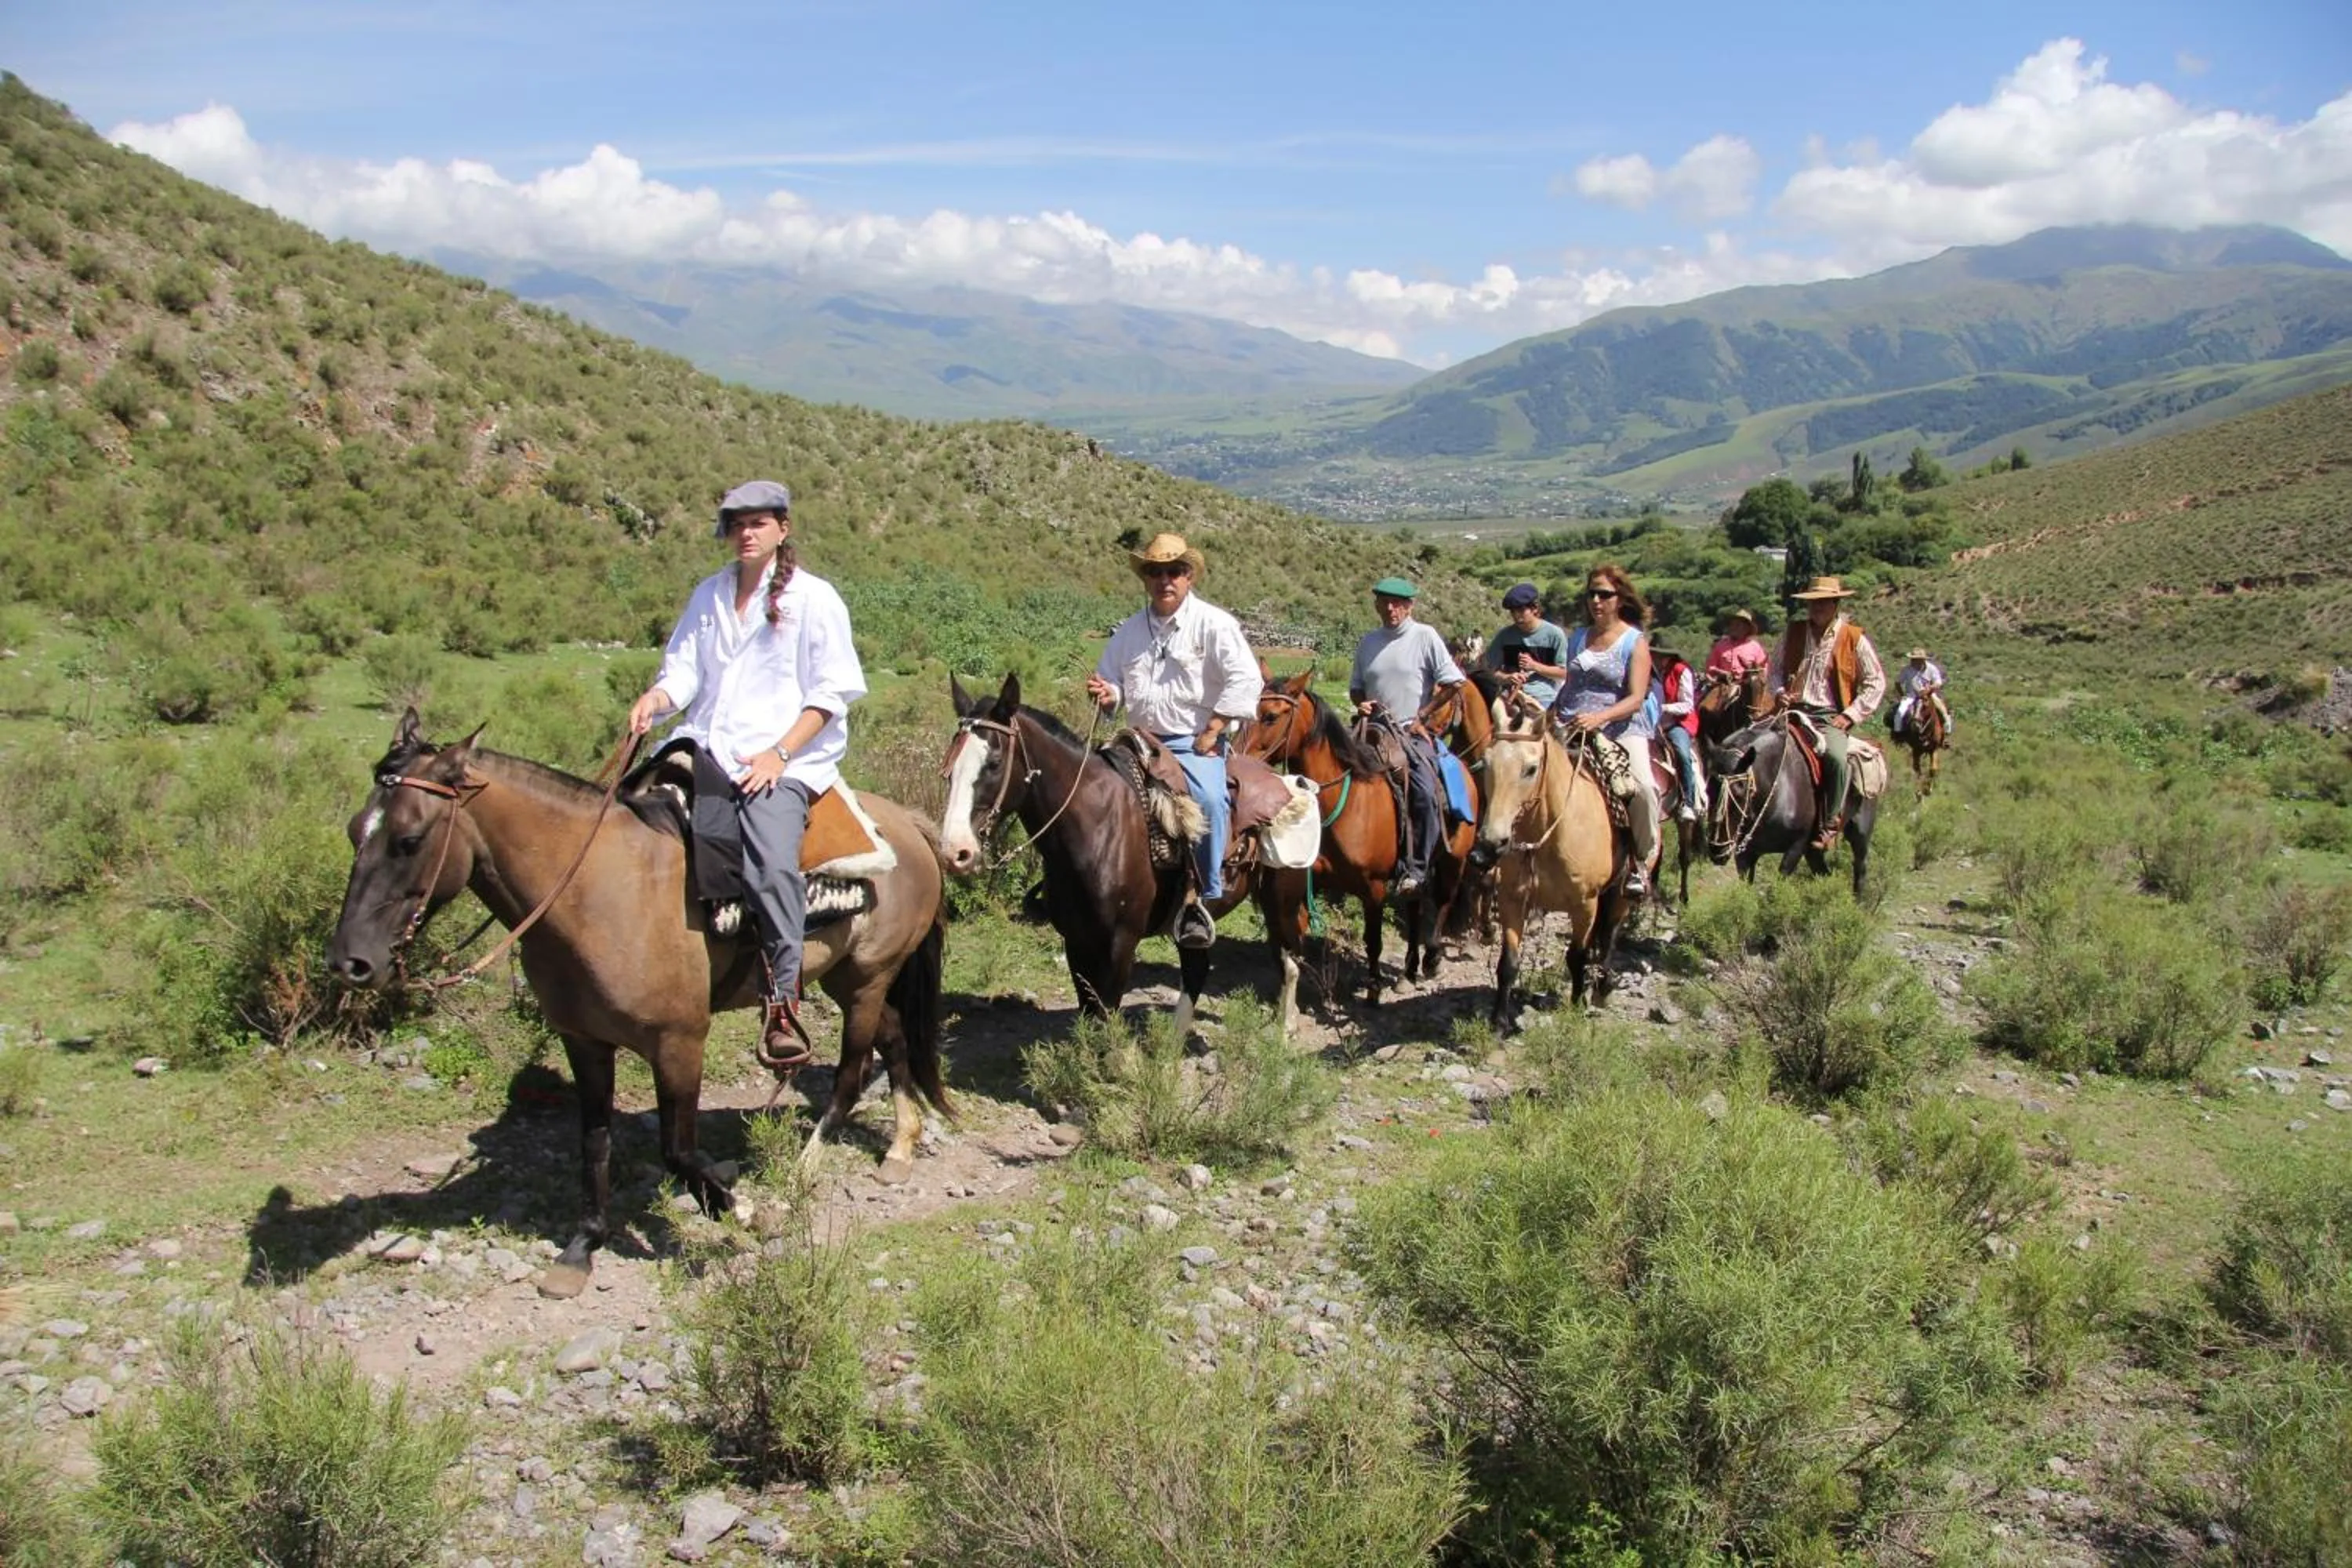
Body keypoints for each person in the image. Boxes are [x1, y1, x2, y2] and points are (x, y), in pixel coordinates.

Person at [629, 478, 868, 1069]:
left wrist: (779, 755)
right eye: (737, 523)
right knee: (625, 820)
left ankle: (783, 998)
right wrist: (657, 699)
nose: (746, 533)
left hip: (783, 757)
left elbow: (833, 690)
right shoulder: (708, 596)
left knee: (768, 862)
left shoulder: (815, 599)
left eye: (758, 522)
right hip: (706, 742)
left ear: (782, 529)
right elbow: (684, 671)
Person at [1087, 532, 1262, 949]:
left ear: (1189, 577)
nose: (1165, 579)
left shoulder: (1214, 624)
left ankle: (1201, 898)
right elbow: (1113, 680)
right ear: (1145, 579)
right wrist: (1108, 692)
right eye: (1156, 571)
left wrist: (1215, 728)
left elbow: (1246, 678)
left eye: (1174, 571)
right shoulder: (1129, 630)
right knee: (1088, 790)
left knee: (1210, 800)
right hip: (1136, 739)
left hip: (1192, 741)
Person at [1349, 575, 1464, 901]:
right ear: (1376, 605)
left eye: (1398, 603)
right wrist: (1361, 702)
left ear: (1410, 606)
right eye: (1384, 602)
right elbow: (1357, 685)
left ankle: (1416, 868)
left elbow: (1454, 682)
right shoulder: (1369, 641)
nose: (1390, 608)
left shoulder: (1424, 636)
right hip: (1370, 728)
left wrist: (1423, 716)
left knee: (1425, 790)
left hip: (1408, 730)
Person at [1549, 564, 1661, 896]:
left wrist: (1599, 719)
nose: (1596, 601)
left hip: (1619, 727)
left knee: (1641, 788)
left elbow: (1637, 697)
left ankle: (1641, 862)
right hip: (1569, 723)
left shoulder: (1634, 642)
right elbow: (1570, 685)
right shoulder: (1579, 638)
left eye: (1604, 594)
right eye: (1591, 594)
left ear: (1620, 598)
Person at [1767, 575, 1887, 851]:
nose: (1817, 609)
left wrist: (1851, 715)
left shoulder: (1853, 638)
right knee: (1757, 744)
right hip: (1793, 711)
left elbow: (1876, 681)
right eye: (1813, 603)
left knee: (1835, 756)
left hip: (1829, 716)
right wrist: (1779, 692)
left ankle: (1831, 822)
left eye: (1823, 603)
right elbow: (1773, 670)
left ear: (1836, 604)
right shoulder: (1794, 632)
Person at [1483, 582, 1571, 711]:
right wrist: (1508, 677)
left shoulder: (1555, 634)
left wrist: (1534, 666)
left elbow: (1563, 673)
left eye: (1521, 610)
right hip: (1510, 697)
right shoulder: (1504, 636)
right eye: (1513, 611)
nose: (1516, 615)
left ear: (1535, 608)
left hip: (1543, 698)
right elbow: (1490, 671)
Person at [1653, 644, 1707, 821]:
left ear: (1667, 656)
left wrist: (1663, 708)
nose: (1653, 657)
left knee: (1682, 753)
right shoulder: (1651, 671)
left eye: (1657, 654)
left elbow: (1687, 705)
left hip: (1678, 723)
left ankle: (1688, 802)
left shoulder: (1681, 671)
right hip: (1653, 723)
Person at [1891, 647, 1951, 738]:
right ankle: (1898, 734)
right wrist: (1902, 695)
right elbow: (1898, 682)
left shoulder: (1931, 668)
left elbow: (1938, 682)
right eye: (1913, 659)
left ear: (1922, 660)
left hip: (1928, 694)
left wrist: (1931, 687)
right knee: (1900, 713)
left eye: (1916, 659)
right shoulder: (1906, 670)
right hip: (1911, 695)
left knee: (1942, 710)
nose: (1913, 661)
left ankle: (1946, 732)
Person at [1704, 607, 1769, 685]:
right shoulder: (1720, 645)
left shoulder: (1755, 647)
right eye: (1732, 624)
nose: (1733, 627)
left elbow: (1764, 670)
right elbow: (1710, 668)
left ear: (1747, 628)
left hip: (1747, 686)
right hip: (1722, 684)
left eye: (1738, 625)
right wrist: (1722, 673)